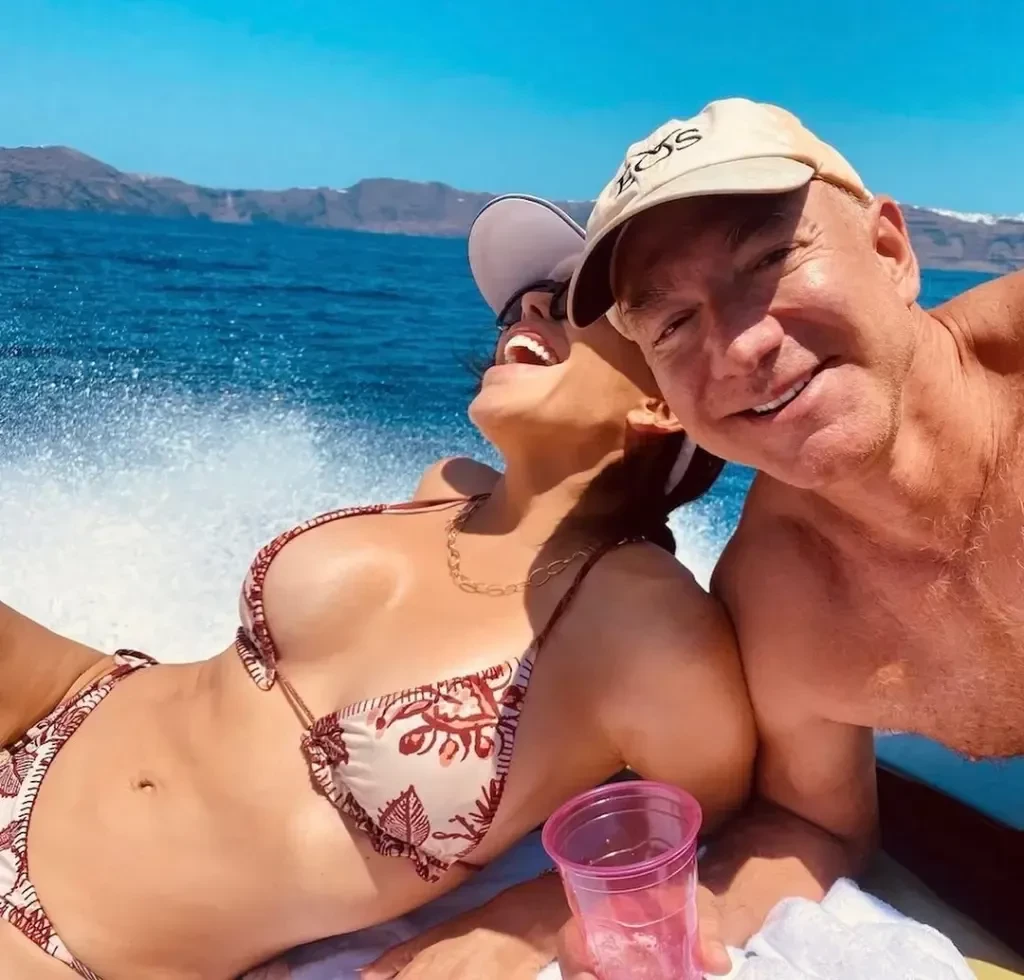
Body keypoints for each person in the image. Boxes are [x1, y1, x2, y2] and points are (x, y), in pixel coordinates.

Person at [0, 193, 755, 979]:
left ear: (662, 398)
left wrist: (528, 918)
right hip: (63, 700)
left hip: (70, 946)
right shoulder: (448, 487)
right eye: (524, 305)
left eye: (570, 302)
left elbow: (719, 834)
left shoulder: (651, 628)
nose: (530, 308)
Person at [371, 98, 1024, 979]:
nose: (741, 346)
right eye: (673, 324)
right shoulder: (779, 595)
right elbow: (814, 824)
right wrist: (622, 916)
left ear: (888, 250)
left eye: (769, 260)